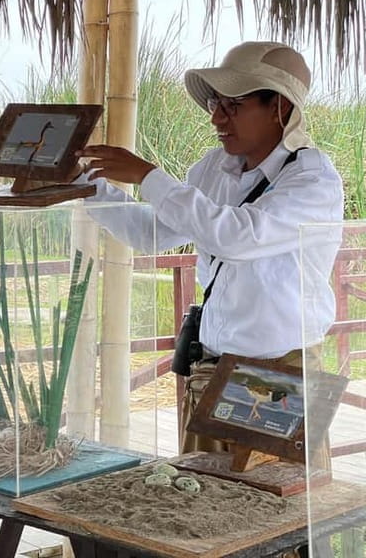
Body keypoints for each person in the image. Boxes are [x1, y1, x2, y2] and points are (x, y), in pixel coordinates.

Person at [75, 41, 343, 455]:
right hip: (213, 368)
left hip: (280, 376)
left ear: (280, 107)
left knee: (273, 509)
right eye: (216, 102)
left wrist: (148, 176)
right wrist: (88, 186)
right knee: (203, 506)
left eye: (233, 105)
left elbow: (237, 237)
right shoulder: (212, 168)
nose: (216, 117)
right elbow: (153, 234)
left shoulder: (312, 180)